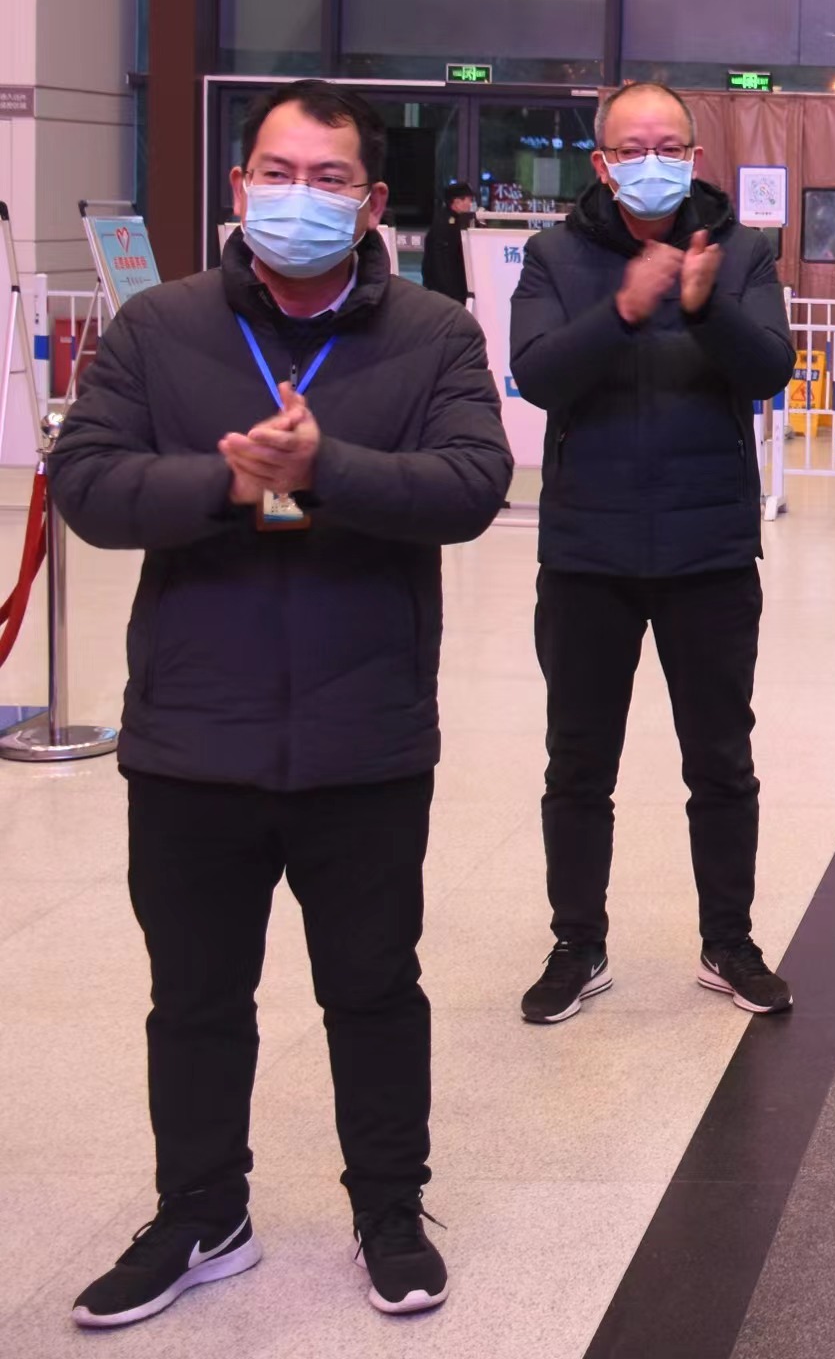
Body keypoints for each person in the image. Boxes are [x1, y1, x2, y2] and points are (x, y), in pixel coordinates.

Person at [48, 79, 513, 1327]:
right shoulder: (158, 327)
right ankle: (202, 1211)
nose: (296, 197)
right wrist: (227, 483)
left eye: (327, 179)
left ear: (370, 203)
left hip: (366, 733)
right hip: (193, 733)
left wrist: (327, 467)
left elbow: (473, 483)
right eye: (275, 172)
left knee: (373, 986)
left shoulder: (432, 334)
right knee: (196, 996)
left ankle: (389, 1208)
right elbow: (86, 484)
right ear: (238, 184)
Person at [509, 82, 796, 1026]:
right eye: (632, 149)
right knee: (577, 762)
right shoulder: (554, 255)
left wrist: (706, 309)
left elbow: (770, 368)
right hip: (586, 550)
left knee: (721, 759)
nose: (652, 163)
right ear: (601, 163)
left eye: (669, 147)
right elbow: (537, 375)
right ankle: (576, 942)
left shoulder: (741, 249)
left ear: (695, 157)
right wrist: (624, 311)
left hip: (709, 547)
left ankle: (729, 941)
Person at [421, 180, 476, 303]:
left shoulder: (460, 221)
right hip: (446, 293)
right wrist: (450, 293)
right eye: (469, 200)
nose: (470, 205)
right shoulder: (445, 225)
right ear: (457, 202)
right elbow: (441, 263)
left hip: (452, 291)